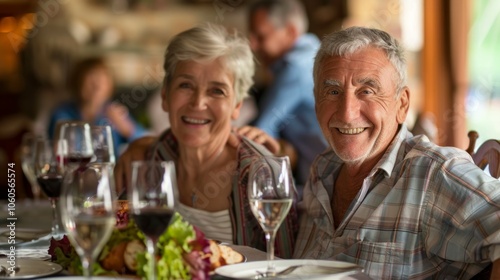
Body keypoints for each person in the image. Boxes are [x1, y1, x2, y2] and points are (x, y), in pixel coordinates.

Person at [292, 26, 500, 279]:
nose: (347, 113)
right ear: (316, 102)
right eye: (333, 91)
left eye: (366, 91)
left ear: (401, 105)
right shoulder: (323, 169)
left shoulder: (432, 173)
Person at [115, 23, 297, 258]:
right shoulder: (148, 158)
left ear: (237, 106)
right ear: (164, 96)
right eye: (185, 85)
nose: (198, 103)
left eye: (217, 91)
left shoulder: (261, 173)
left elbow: (282, 269)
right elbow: (120, 248)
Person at [246, 0, 328, 186]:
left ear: (290, 31)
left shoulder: (295, 68)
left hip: (322, 187)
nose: (252, 45)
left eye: (260, 36)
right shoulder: (314, 55)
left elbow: (258, 134)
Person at [47, 57, 148, 157]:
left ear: (110, 86)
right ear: (77, 83)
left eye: (101, 80)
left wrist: (126, 128)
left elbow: (146, 143)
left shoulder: (115, 112)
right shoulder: (62, 113)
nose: (96, 86)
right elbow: (64, 151)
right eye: (90, 79)